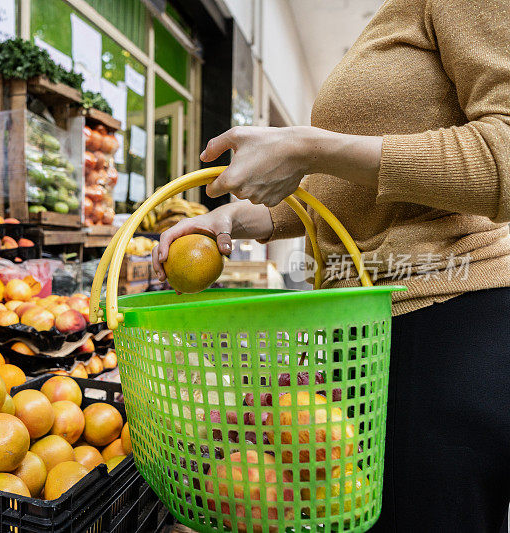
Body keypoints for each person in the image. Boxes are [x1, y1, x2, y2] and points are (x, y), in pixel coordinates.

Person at [153, 0, 510, 530]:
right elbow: (350, 192)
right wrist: (237, 218)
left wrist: (309, 146)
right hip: (377, 326)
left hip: (447, 320)